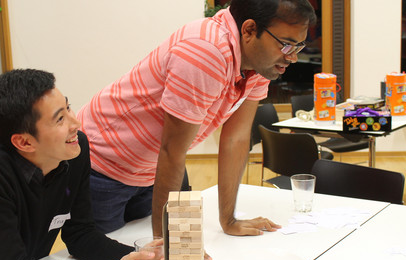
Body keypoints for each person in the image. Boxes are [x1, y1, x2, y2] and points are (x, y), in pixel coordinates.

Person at [77, 0, 317, 237]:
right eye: (286, 45)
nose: (292, 58)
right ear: (249, 30)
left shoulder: (259, 61)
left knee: (137, 248)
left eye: (298, 47)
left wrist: (229, 220)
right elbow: (172, 150)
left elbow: (236, 138)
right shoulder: (206, 52)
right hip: (102, 165)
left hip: (149, 171)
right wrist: (166, 249)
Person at [0, 69, 166, 260]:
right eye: (59, 119)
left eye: (68, 108)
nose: (76, 123)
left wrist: (146, 258)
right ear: (24, 142)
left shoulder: (74, 149)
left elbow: (81, 236)